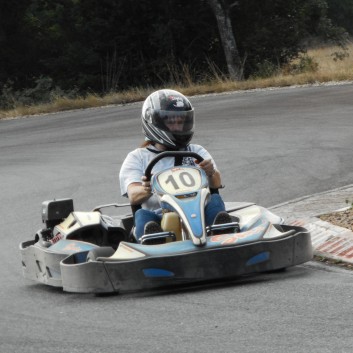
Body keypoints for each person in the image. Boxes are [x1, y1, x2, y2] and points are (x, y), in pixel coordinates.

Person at [119, 89, 232, 241]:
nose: (177, 127)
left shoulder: (196, 151)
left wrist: (210, 172)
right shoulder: (137, 157)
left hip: (200, 214)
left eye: (181, 121)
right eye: (171, 122)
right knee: (142, 215)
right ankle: (154, 240)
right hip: (159, 217)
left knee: (215, 201)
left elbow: (216, 183)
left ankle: (221, 233)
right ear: (154, 122)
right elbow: (133, 195)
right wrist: (147, 187)